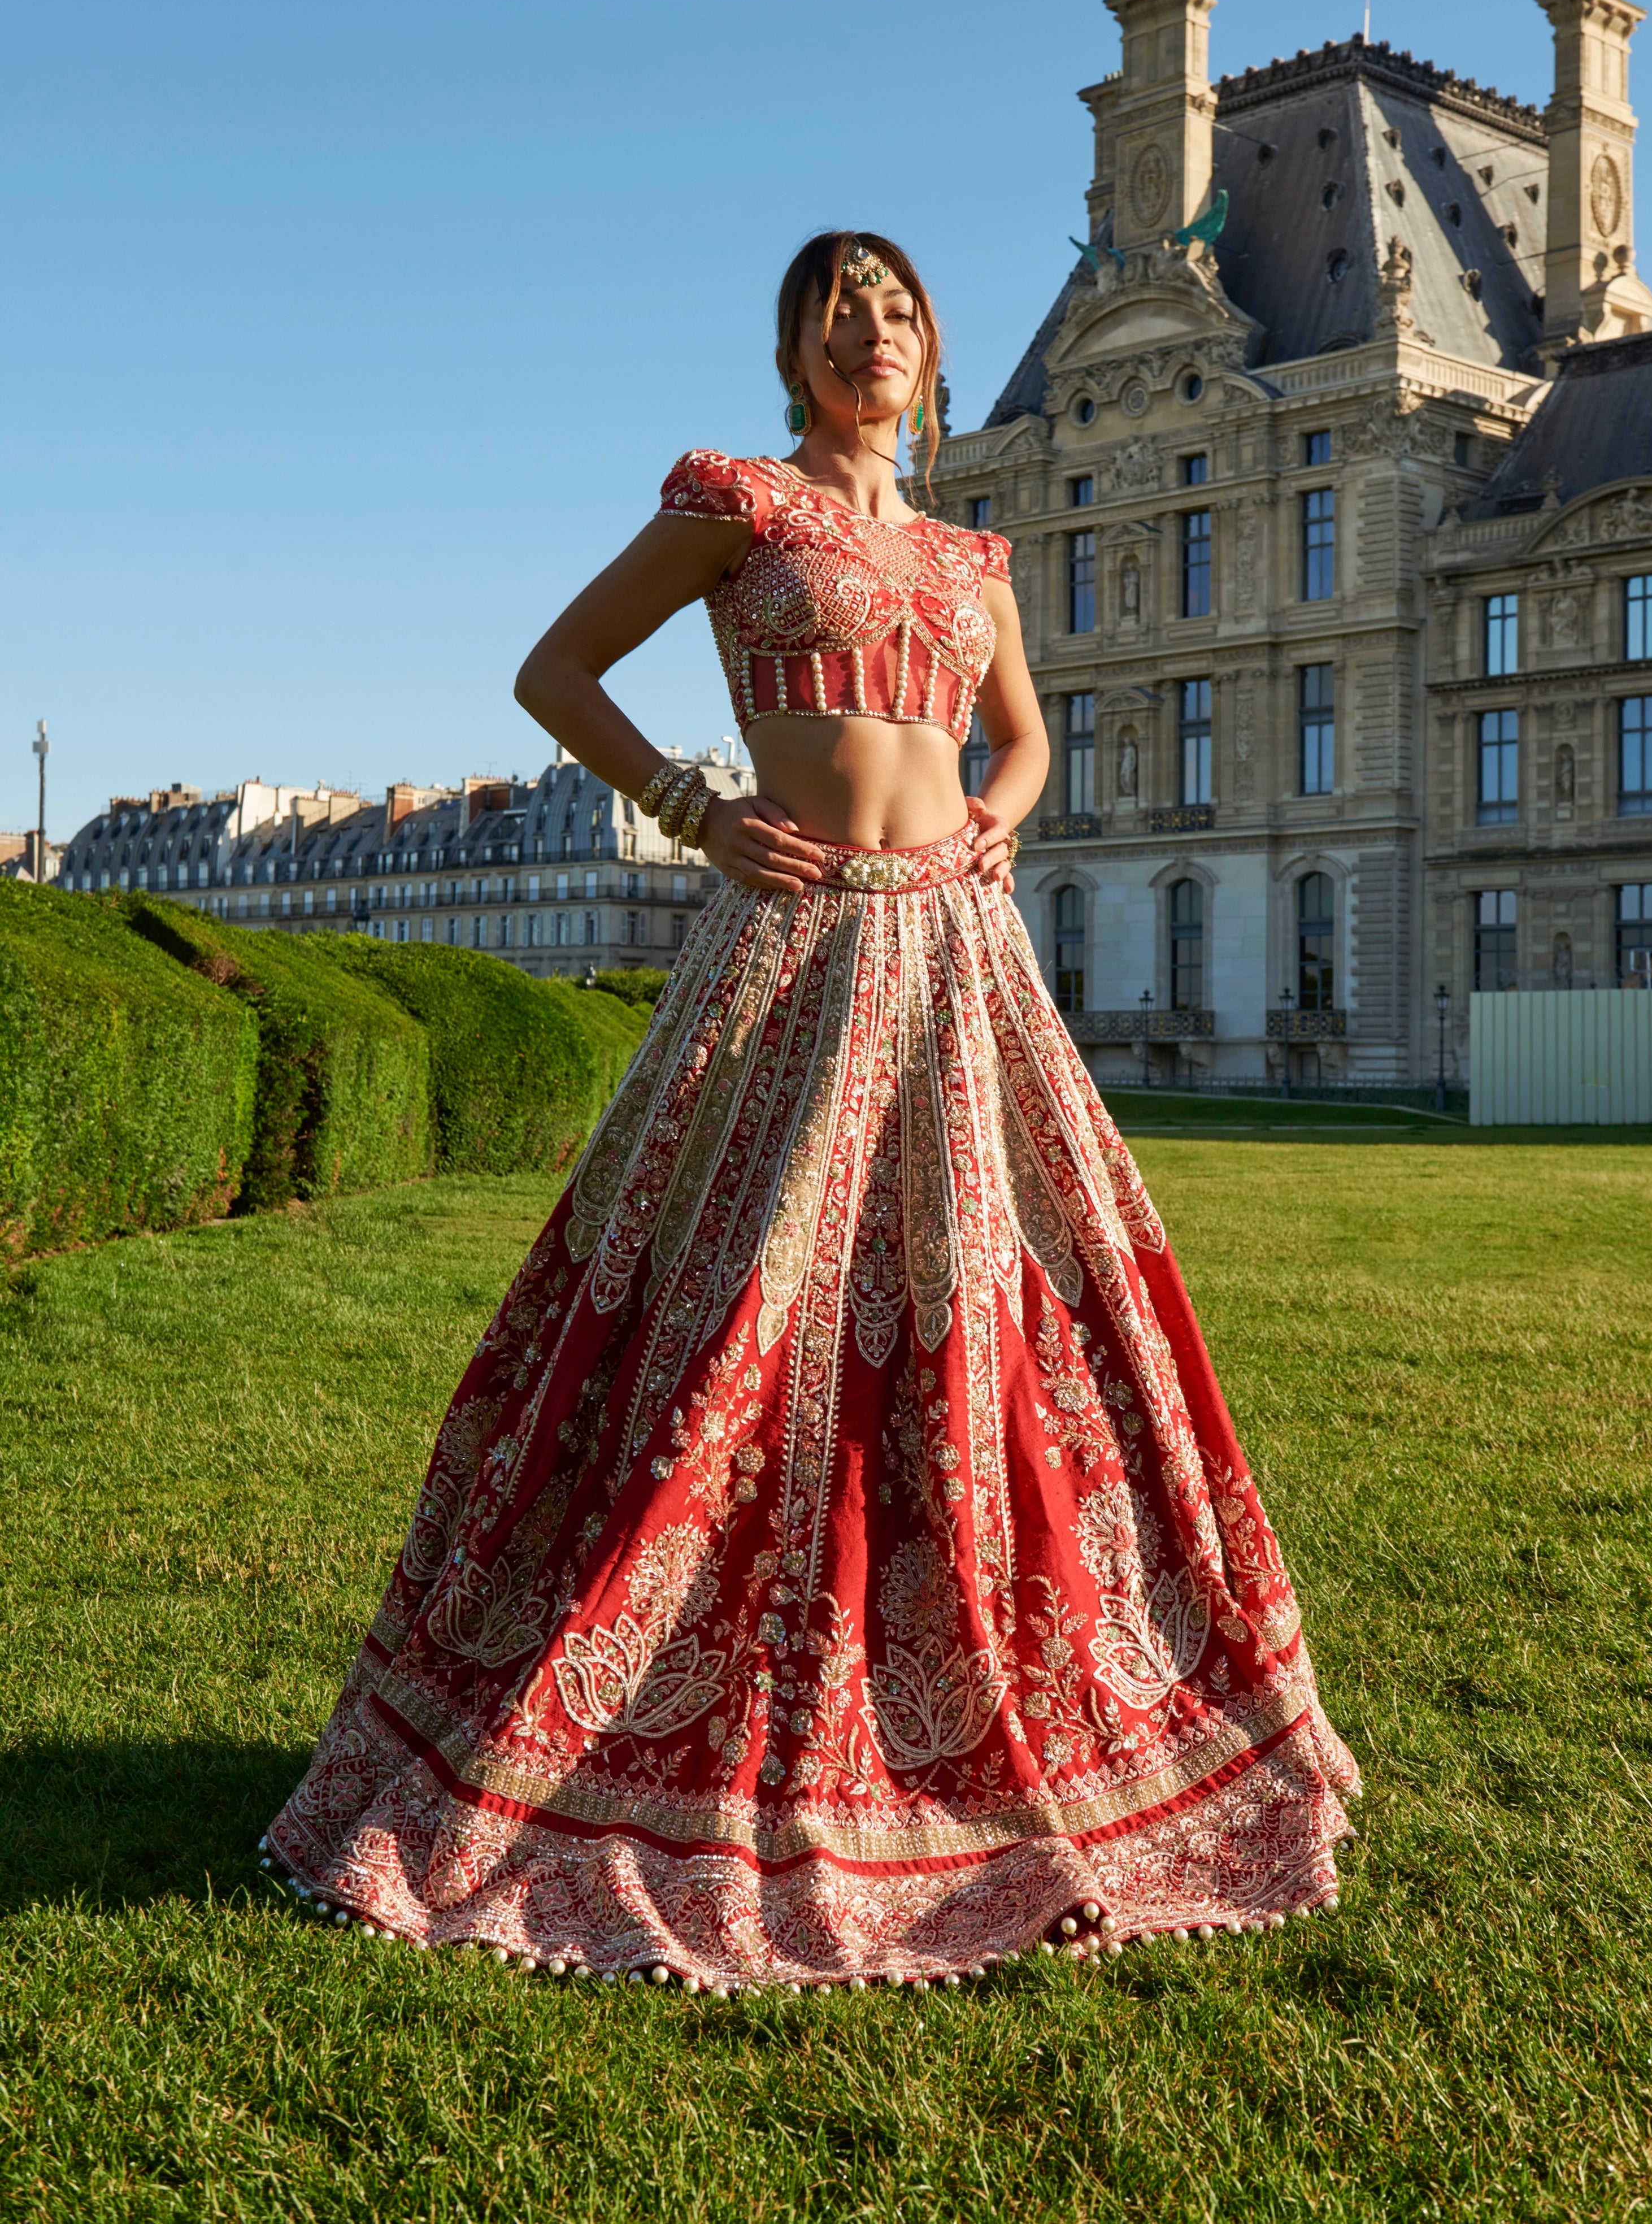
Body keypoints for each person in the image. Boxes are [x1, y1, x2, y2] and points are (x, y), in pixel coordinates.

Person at [265, 231, 1358, 1990]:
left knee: (992, 1326)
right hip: (789, 941)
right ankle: (625, 1702)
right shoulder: (741, 505)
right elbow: (558, 673)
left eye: (902, 306)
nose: (876, 330)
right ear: (794, 347)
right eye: (841, 308)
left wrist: (1002, 817)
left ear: (934, 349)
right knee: (728, 1314)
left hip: (958, 957)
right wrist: (696, 814)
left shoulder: (968, 551)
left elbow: (1025, 736)